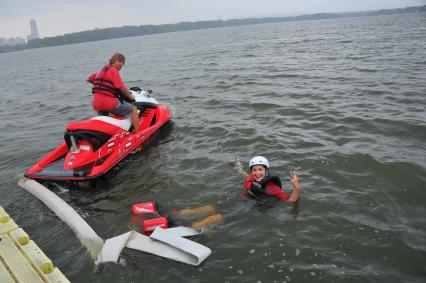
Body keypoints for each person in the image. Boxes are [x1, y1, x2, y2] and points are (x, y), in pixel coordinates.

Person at [87, 53, 140, 132]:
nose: (121, 64)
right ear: (113, 61)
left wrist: (99, 84)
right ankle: (138, 133)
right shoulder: (113, 70)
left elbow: (89, 79)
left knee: (103, 120)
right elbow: (121, 87)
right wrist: (130, 97)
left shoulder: (101, 70)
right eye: (119, 61)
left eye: (123, 63)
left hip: (97, 104)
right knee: (133, 109)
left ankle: (106, 134)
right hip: (109, 103)